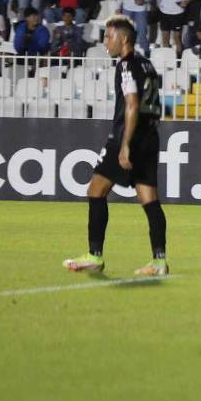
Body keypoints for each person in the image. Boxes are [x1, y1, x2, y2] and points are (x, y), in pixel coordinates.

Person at [63, 16, 168, 276]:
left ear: (124, 39)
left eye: (109, 37)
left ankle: (94, 255)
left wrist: (124, 145)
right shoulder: (147, 65)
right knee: (149, 199)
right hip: (150, 136)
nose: (105, 43)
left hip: (128, 135)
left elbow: (132, 104)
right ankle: (159, 260)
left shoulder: (126, 65)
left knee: (96, 190)